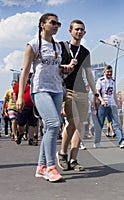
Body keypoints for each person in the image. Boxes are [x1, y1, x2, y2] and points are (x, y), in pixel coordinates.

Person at [16, 13, 73, 182]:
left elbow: (56, 67)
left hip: (56, 89)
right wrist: (20, 96)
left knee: (50, 129)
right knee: (54, 124)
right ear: (42, 24)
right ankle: (50, 167)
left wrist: (67, 68)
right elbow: (25, 71)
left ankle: (41, 166)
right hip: (40, 89)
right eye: (53, 22)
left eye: (58, 23)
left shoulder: (57, 46)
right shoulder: (33, 44)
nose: (56, 26)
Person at [56, 19, 97, 172]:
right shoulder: (61, 47)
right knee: (73, 122)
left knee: (81, 126)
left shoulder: (85, 52)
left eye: (82, 30)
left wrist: (96, 93)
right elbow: (53, 66)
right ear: (70, 31)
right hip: (67, 90)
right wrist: (65, 67)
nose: (79, 32)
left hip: (82, 92)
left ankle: (73, 159)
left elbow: (89, 74)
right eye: (76, 29)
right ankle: (62, 153)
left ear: (84, 33)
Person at [94, 65, 124, 148]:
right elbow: (98, 93)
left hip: (112, 105)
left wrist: (117, 102)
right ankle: (97, 141)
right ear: (104, 72)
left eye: (110, 72)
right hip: (103, 105)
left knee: (116, 123)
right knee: (100, 124)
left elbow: (114, 93)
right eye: (107, 72)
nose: (109, 73)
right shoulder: (100, 80)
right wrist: (102, 101)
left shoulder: (113, 81)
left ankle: (121, 141)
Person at [14, 73, 38, 146]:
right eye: (28, 76)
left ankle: (31, 139)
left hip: (33, 107)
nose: (29, 78)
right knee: (21, 123)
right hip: (23, 106)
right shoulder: (21, 84)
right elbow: (15, 94)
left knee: (32, 123)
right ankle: (21, 134)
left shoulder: (35, 85)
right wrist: (16, 102)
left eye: (30, 76)